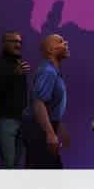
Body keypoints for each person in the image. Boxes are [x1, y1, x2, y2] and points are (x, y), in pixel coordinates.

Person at [22, 34, 70, 169]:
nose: (66, 43)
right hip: (38, 130)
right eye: (61, 41)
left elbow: (50, 106)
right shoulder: (48, 71)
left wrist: (58, 128)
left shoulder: (52, 71)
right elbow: (38, 103)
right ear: (50, 50)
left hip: (43, 128)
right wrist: (50, 133)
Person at [0, 31, 30, 169]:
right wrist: (14, 74)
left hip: (21, 120)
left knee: (17, 164)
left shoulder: (19, 63)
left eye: (19, 42)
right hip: (5, 120)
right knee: (8, 163)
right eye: (14, 41)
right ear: (4, 44)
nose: (18, 44)